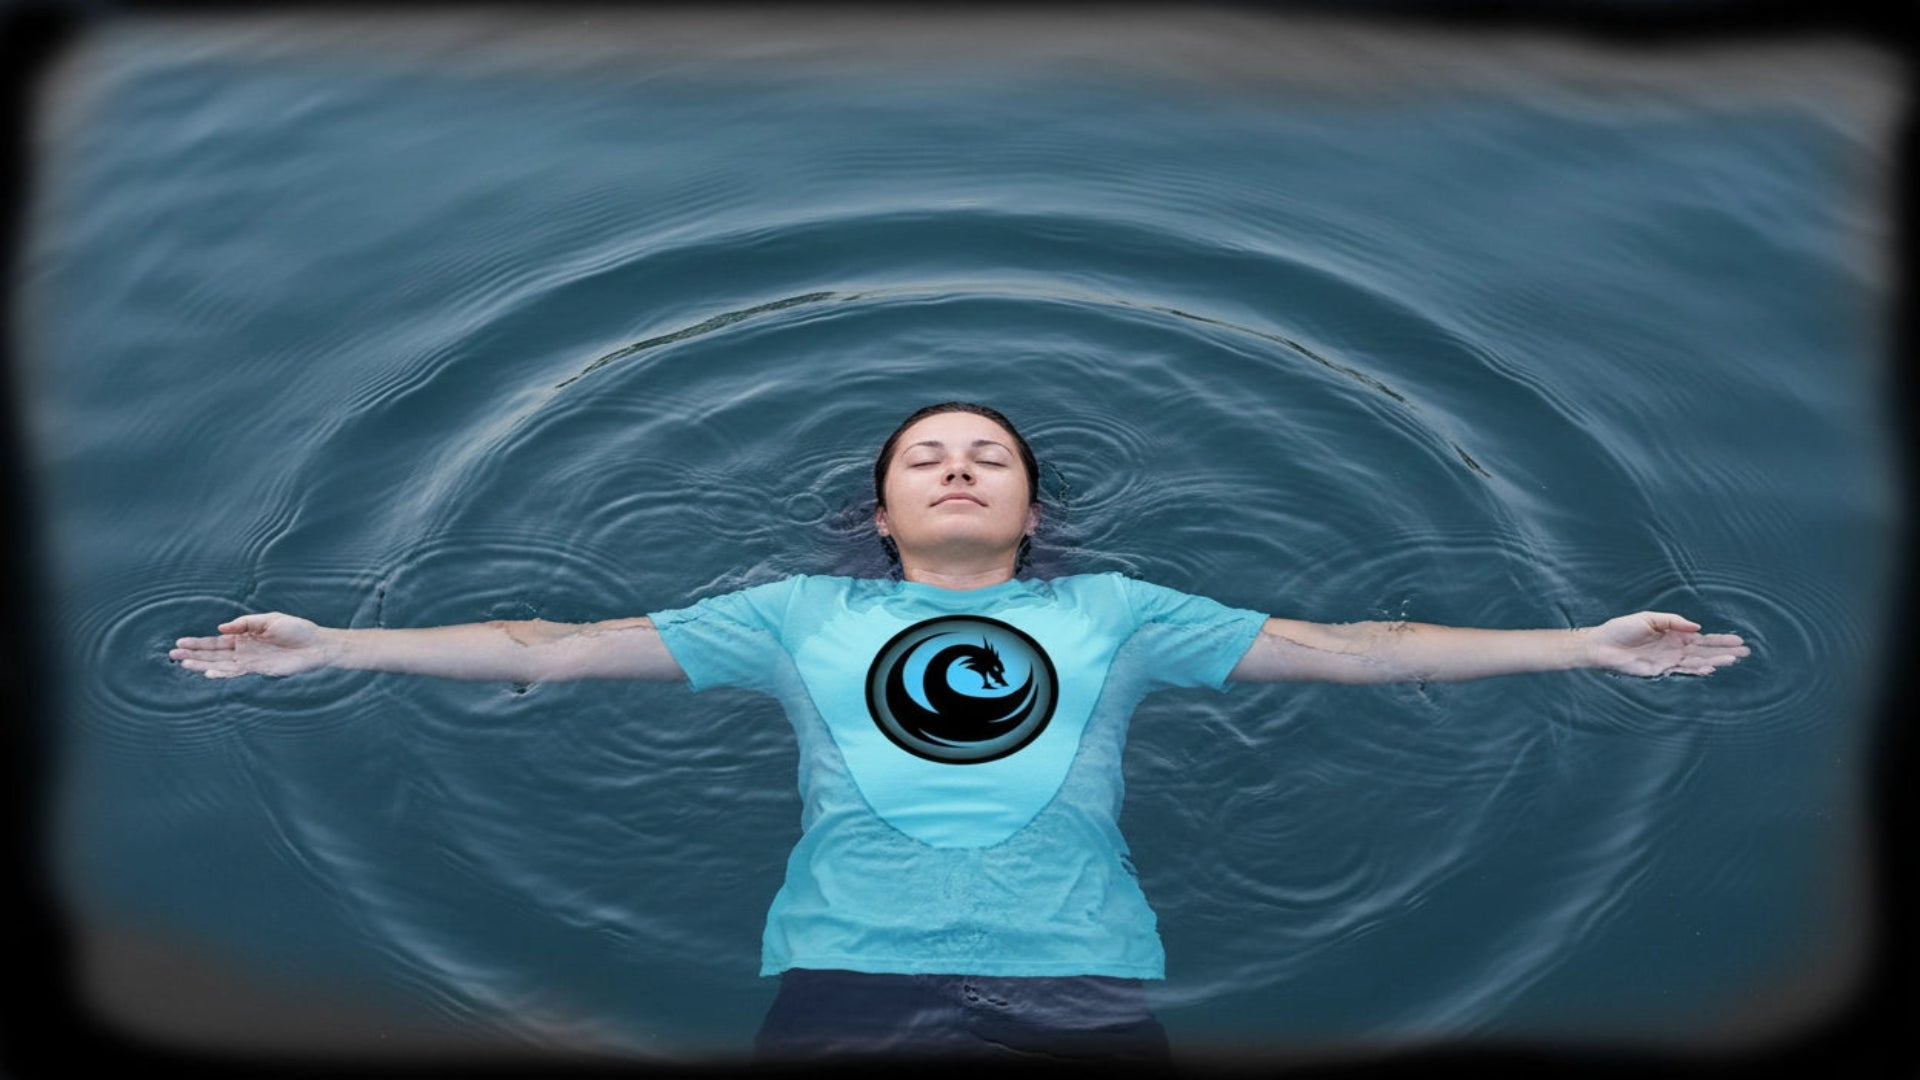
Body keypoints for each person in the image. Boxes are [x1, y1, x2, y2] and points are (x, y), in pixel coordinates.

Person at [171, 401, 1750, 1065]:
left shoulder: (1122, 611)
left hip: (1087, 984)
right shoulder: (793, 613)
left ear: (1033, 506)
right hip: (843, 977)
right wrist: (334, 643)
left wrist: (1587, 643)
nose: (955, 467)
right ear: (877, 508)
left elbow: (1354, 648)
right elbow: (551, 645)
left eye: (987, 453)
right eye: (925, 454)